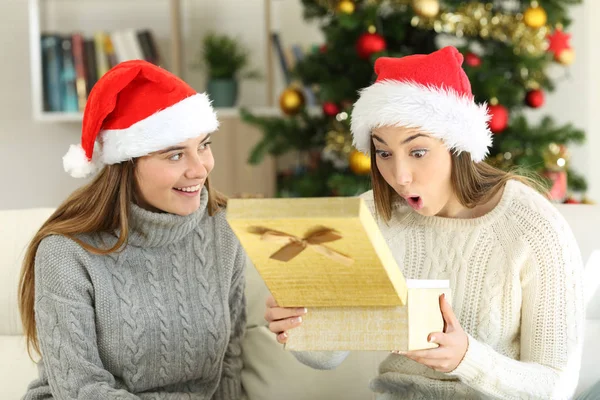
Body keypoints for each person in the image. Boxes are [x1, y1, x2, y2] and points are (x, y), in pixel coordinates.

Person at [264, 46, 585, 399]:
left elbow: (557, 385)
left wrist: (466, 358)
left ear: (457, 145)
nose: (399, 176)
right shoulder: (370, 218)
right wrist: (296, 323)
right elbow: (326, 355)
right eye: (384, 153)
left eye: (418, 152)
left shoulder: (532, 227)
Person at [19, 60, 246, 399]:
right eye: (174, 155)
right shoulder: (66, 252)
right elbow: (81, 389)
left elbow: (230, 363)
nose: (200, 169)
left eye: (204, 145)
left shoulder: (223, 230)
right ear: (126, 165)